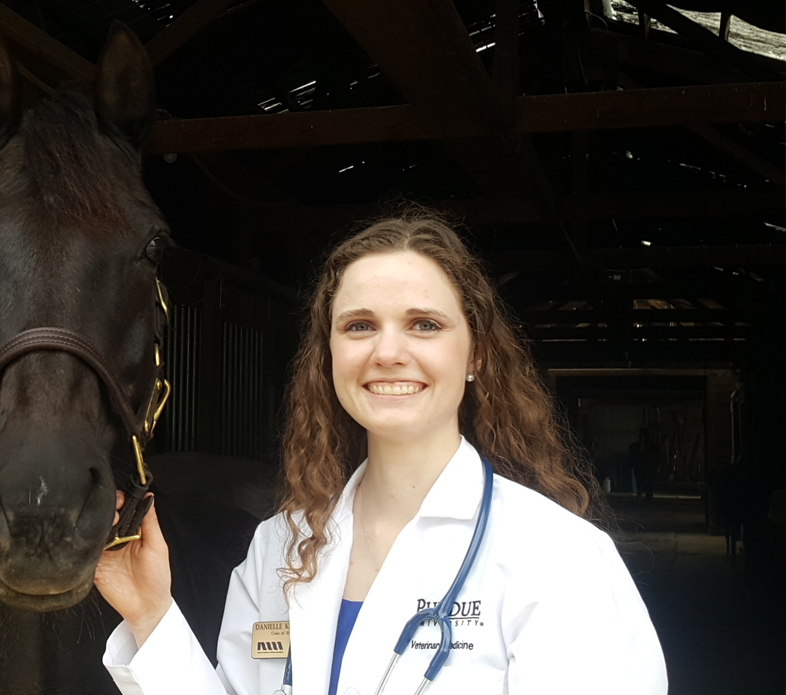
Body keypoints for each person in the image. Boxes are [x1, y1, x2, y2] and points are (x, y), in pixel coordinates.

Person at [94, 208, 667, 695]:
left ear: (476, 357)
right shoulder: (280, 547)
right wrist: (151, 614)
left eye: (424, 324)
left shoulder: (558, 559)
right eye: (360, 326)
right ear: (330, 355)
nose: (388, 352)